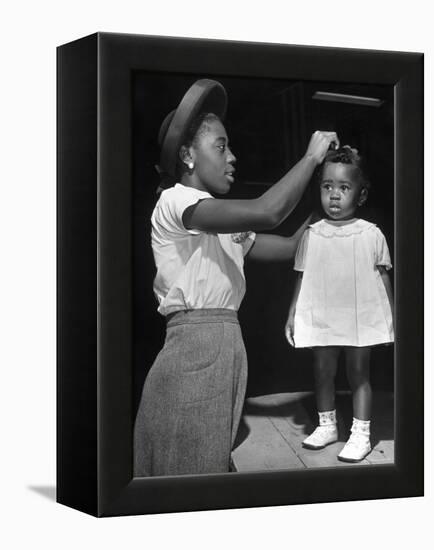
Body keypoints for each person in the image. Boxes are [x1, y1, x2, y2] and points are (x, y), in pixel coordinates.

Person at [134, 78, 339, 476]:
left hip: (225, 347)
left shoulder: (219, 222)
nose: (233, 158)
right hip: (194, 350)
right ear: (188, 156)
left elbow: (291, 246)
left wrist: (327, 206)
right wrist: (311, 157)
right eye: (221, 146)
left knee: (206, 472)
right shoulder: (176, 201)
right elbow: (267, 211)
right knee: (191, 481)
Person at [285, 145, 394, 462]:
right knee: (322, 371)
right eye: (327, 186)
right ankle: (327, 425)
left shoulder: (371, 234)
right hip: (323, 312)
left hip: (359, 315)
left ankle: (361, 434)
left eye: (344, 188)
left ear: (360, 195)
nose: (334, 195)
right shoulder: (312, 234)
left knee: (359, 372)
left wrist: (392, 319)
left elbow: (383, 278)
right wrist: (292, 313)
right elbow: (301, 276)